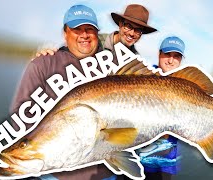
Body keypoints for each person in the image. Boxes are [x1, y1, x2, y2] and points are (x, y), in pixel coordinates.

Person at [10, 4, 114, 180]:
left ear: (97, 34)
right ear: (65, 34)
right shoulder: (43, 64)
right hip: (56, 175)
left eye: (90, 29)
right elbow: (19, 119)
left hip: (105, 174)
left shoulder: (113, 65)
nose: (84, 35)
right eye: (76, 29)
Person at [139, 36, 185, 180]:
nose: (171, 60)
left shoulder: (186, 84)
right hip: (137, 160)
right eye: (167, 54)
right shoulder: (143, 75)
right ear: (159, 54)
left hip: (165, 163)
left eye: (176, 56)